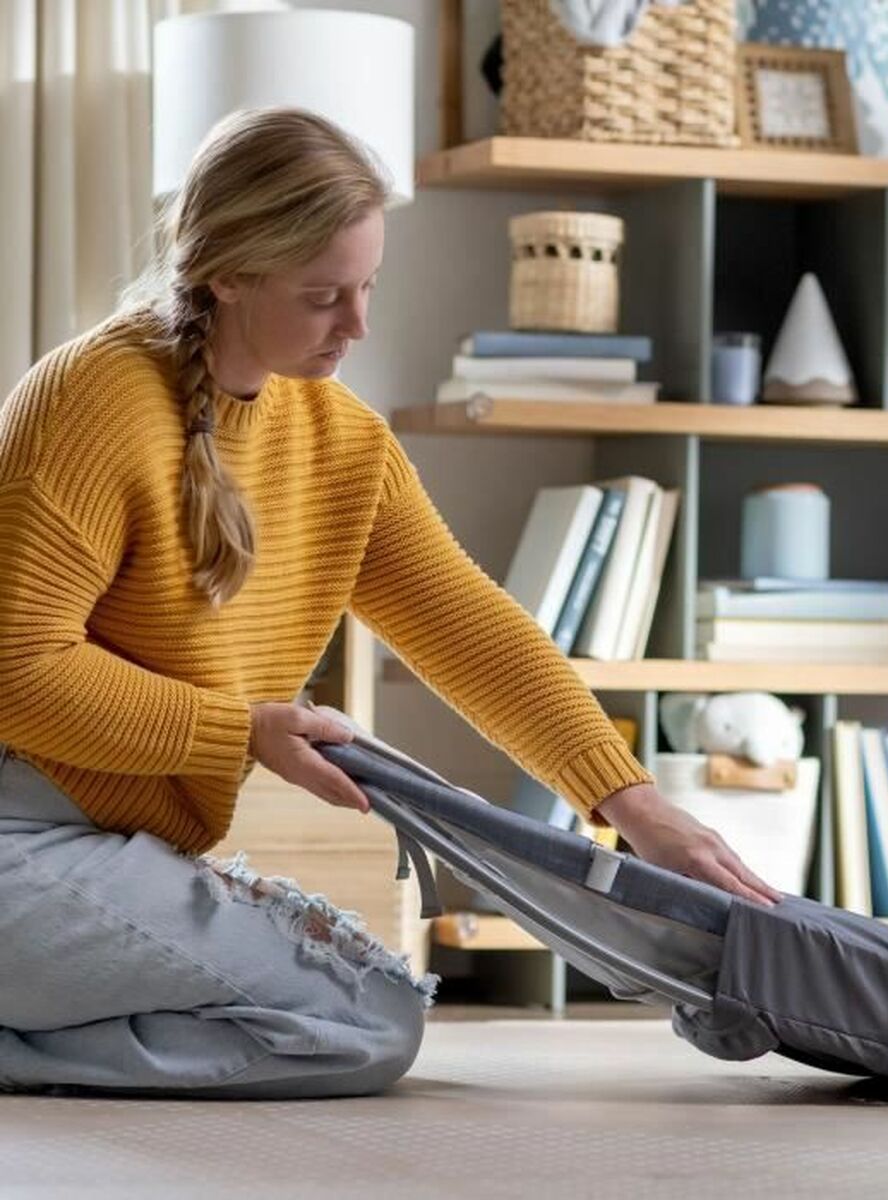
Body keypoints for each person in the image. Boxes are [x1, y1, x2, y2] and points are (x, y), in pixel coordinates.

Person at [0, 107, 779, 1100]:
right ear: (227, 272)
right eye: (323, 296)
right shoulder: (90, 397)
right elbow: (17, 672)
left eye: (367, 286)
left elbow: (474, 631)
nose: (358, 325)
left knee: (373, 1009)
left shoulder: (344, 445)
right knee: (359, 1022)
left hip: (111, 849)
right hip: (20, 833)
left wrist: (637, 806)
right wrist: (242, 732)